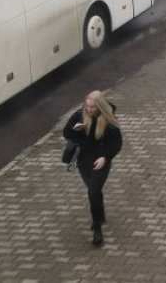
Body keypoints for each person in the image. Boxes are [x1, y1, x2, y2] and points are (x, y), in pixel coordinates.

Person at [63, 90, 123, 247]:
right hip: (84, 160)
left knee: (93, 191)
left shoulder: (108, 120)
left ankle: (97, 228)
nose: (89, 109)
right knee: (93, 190)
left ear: (100, 106)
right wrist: (75, 130)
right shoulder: (79, 115)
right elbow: (66, 133)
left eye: (92, 107)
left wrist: (105, 157)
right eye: (87, 106)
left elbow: (116, 144)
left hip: (101, 160)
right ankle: (100, 215)